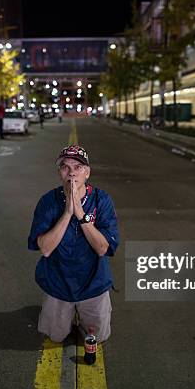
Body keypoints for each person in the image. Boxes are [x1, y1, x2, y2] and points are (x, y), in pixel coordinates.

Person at [28, 145, 119, 343]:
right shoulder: (48, 201)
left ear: (87, 173)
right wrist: (68, 213)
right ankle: (67, 319)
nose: (71, 173)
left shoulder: (101, 200)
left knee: (97, 338)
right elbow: (45, 248)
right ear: (59, 173)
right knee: (56, 336)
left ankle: (81, 318)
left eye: (77, 167)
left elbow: (103, 248)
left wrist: (80, 214)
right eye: (65, 167)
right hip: (58, 282)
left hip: (93, 282)